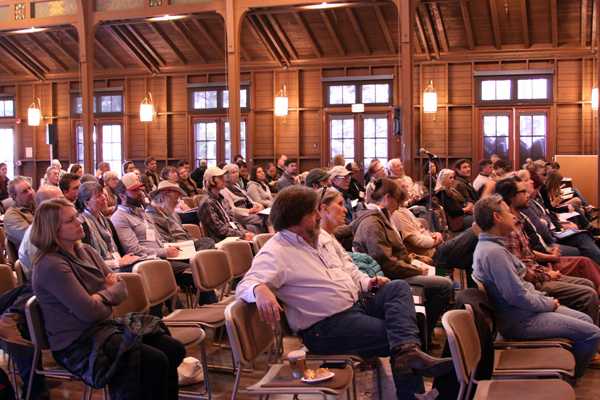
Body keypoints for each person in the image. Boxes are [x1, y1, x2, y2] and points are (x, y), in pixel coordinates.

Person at [236, 185, 452, 400]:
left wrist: (368, 282)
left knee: (398, 288)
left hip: (355, 306)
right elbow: (246, 284)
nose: (319, 216)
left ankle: (409, 361)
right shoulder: (276, 252)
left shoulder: (321, 237)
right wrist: (260, 289)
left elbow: (349, 267)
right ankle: (411, 390)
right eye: (313, 212)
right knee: (396, 336)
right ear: (296, 219)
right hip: (325, 328)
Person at [31, 197, 185, 399]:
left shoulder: (86, 250)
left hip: (104, 328)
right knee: (153, 361)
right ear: (53, 229)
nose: (79, 222)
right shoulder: (51, 264)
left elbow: (121, 288)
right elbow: (89, 312)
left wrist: (99, 297)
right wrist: (107, 295)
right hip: (78, 342)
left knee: (173, 349)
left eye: (77, 216)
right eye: (70, 221)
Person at [472, 194, 600, 377]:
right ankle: (566, 381)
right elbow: (517, 296)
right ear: (497, 217)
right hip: (520, 320)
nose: (513, 217)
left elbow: (522, 287)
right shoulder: (494, 253)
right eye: (508, 213)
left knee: (587, 322)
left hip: (525, 311)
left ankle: (561, 378)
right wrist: (548, 304)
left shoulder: (494, 248)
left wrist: (545, 300)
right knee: (592, 333)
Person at [352, 178, 453, 341]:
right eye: (397, 201)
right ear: (387, 198)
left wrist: (416, 259)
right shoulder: (372, 223)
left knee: (441, 274)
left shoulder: (381, 217)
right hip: (390, 277)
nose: (399, 206)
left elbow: (397, 253)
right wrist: (417, 269)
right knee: (444, 285)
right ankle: (423, 334)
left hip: (399, 270)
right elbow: (386, 263)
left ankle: (425, 331)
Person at [496, 177, 600, 322]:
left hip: (540, 267)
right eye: (523, 191)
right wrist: (547, 272)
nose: (527, 194)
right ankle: (587, 328)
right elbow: (521, 274)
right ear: (512, 197)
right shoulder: (508, 230)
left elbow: (527, 255)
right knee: (587, 290)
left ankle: (584, 323)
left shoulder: (520, 218)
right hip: (533, 284)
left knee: (587, 282)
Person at [110, 173, 188, 279]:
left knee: (198, 259)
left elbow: (158, 239)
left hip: (163, 257)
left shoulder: (142, 212)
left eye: (140, 189)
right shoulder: (119, 217)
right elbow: (134, 250)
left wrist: (170, 248)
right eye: (135, 190)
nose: (141, 193)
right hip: (149, 263)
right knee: (195, 268)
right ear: (122, 195)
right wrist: (165, 252)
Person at [77, 182, 139, 271]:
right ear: (86, 203)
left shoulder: (106, 221)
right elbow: (88, 261)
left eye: (103, 194)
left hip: (117, 264)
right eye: (98, 196)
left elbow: (119, 249)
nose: (104, 198)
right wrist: (117, 262)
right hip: (100, 271)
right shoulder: (83, 225)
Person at [18, 185, 64, 280]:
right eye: (60, 201)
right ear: (45, 207)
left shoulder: (55, 226)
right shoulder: (37, 235)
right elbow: (50, 275)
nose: (66, 204)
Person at [198, 166, 254, 242]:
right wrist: (242, 235)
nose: (224, 179)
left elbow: (233, 220)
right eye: (220, 178)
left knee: (254, 238)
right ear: (211, 181)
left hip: (232, 237)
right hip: (220, 241)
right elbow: (219, 229)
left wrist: (244, 232)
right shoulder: (207, 203)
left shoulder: (223, 199)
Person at [391, 186, 444, 258]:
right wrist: (436, 241)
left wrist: (435, 234)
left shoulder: (403, 209)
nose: (409, 189)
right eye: (403, 186)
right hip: (427, 253)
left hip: (432, 245)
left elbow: (421, 229)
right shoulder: (398, 214)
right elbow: (417, 241)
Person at [221, 164, 266, 233]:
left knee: (266, 217)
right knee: (265, 218)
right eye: (233, 172)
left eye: (237, 172)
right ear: (226, 176)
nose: (236, 174)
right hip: (240, 215)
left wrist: (258, 206)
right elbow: (232, 210)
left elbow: (249, 200)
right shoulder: (223, 189)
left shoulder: (237, 186)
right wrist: (249, 211)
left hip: (249, 212)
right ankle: (272, 237)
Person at [4, 177, 35, 250]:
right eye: (25, 191)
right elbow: (34, 239)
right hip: (32, 257)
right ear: (14, 196)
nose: (30, 193)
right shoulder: (11, 216)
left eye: (30, 188)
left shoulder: (36, 205)